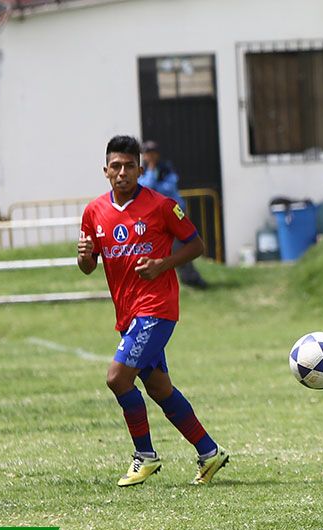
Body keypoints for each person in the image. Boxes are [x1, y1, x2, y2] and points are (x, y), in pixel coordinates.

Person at [77, 135, 228, 487]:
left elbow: (196, 245)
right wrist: (84, 256)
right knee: (160, 389)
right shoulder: (94, 212)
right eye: (116, 166)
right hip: (128, 316)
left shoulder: (161, 206)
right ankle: (209, 452)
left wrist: (163, 264)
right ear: (105, 171)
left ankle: (144, 456)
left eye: (130, 166)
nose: (122, 172)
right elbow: (87, 266)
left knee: (117, 378)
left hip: (157, 310)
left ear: (140, 170)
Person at [138, 140, 208, 289]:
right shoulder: (140, 171)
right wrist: (151, 171)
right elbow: (146, 188)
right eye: (147, 153)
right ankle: (188, 278)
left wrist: (154, 185)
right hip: (154, 218)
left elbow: (169, 189)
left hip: (175, 214)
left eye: (153, 153)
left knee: (183, 247)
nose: (150, 156)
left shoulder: (166, 169)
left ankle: (190, 278)